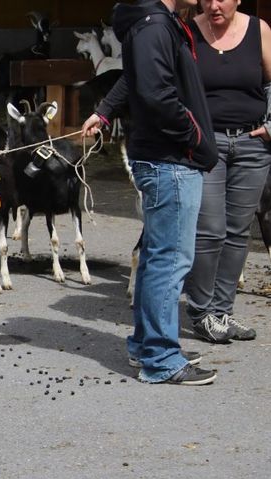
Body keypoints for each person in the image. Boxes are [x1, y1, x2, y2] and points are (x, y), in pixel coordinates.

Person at [82, 0, 219, 385]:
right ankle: (161, 358)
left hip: (164, 158)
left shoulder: (153, 23)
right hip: (170, 160)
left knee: (159, 257)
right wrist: (199, 142)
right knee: (170, 260)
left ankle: (147, 345)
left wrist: (106, 108)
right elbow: (158, 96)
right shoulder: (154, 25)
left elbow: (136, 76)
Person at [182, 0, 271, 343]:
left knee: (238, 231)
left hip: (252, 145)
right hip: (208, 145)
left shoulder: (259, 30)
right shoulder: (189, 32)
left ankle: (223, 311)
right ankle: (202, 312)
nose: (214, 5)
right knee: (210, 230)